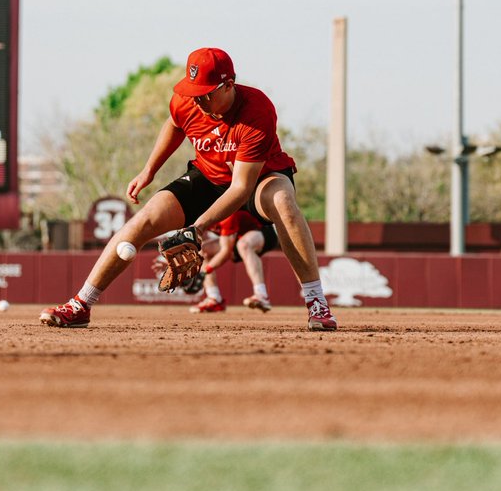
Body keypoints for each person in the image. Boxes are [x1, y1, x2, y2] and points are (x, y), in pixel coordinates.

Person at [40, 47, 337, 331]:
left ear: (228, 85)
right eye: (192, 91)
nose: (196, 100)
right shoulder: (187, 101)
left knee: (283, 201)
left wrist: (197, 228)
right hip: (207, 176)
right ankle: (81, 304)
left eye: (205, 93)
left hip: (259, 177)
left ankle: (317, 303)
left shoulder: (256, 110)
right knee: (143, 220)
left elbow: (241, 187)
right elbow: (174, 125)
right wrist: (149, 170)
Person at [186, 208, 276, 314]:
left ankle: (262, 296)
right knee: (202, 250)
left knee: (244, 245)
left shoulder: (225, 214)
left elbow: (226, 251)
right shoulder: (198, 216)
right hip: (237, 236)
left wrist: (204, 272)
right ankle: (214, 299)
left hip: (263, 232)